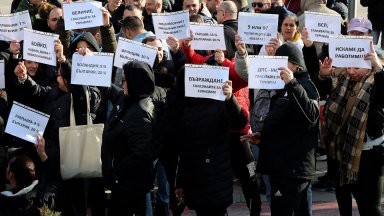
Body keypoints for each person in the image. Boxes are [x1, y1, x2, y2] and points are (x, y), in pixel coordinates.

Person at [241, 43, 319, 216]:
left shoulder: (305, 85)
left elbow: (311, 115)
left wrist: (292, 83)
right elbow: (281, 122)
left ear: (295, 64)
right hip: (281, 166)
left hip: (293, 169)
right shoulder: (283, 88)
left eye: (281, 62)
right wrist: (262, 136)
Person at [315, 41, 384, 216]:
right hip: (343, 149)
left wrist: (378, 68)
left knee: (370, 205)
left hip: (370, 153)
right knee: (351, 195)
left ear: (370, 64)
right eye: (349, 66)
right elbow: (326, 92)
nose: (351, 71)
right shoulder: (343, 78)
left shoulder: (376, 81)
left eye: (357, 67)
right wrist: (323, 76)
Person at [101, 61, 156, 216]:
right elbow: (111, 89)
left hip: (129, 186)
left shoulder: (140, 112)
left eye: (124, 79)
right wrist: (91, 61)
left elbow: (139, 155)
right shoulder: (129, 99)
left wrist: (115, 171)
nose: (120, 82)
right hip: (123, 184)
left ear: (134, 82)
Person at [0, 135, 60, 216]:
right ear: (33, 174)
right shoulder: (44, 203)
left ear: (10, 175)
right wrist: (42, 154)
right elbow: (54, 180)